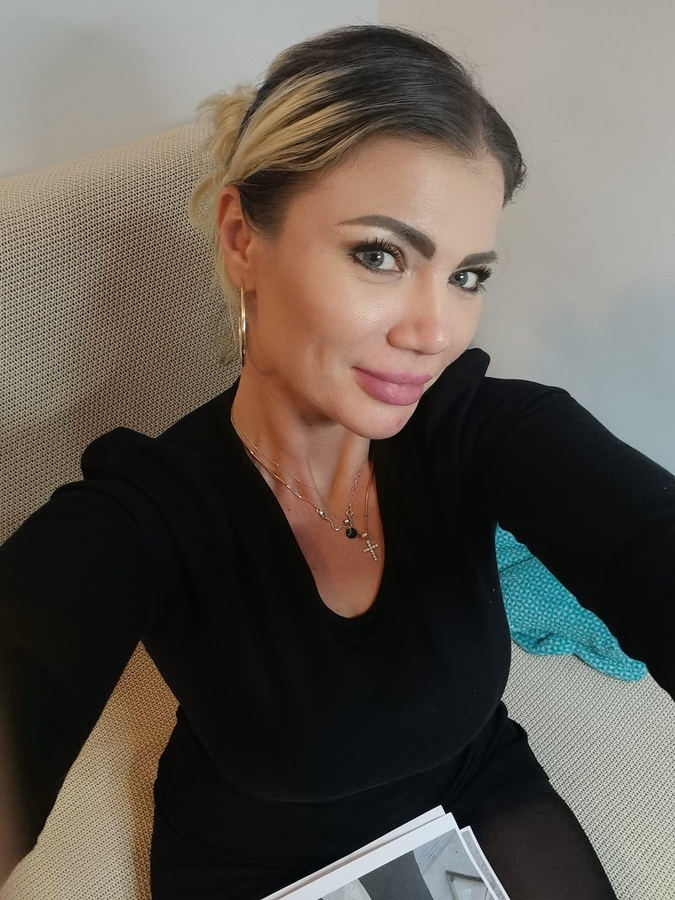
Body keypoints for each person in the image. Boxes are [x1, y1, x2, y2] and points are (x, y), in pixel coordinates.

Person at [0, 22, 673, 900]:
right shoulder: (151, 508)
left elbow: (645, 542)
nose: (434, 331)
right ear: (242, 238)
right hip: (253, 854)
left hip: (472, 787)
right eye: (379, 255)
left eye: (466, 276)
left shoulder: (479, 428)